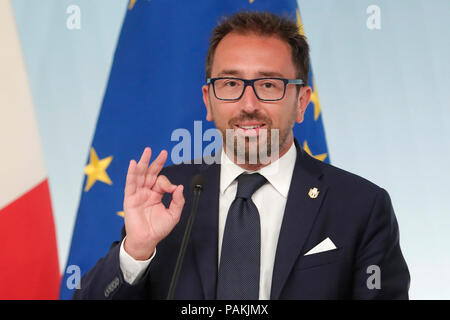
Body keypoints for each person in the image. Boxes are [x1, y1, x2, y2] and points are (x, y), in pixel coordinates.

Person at [73, 11, 410, 300]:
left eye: (268, 85)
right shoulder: (167, 193)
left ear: (302, 102)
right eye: (231, 84)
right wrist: (136, 251)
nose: (249, 105)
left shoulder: (360, 206)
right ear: (208, 101)